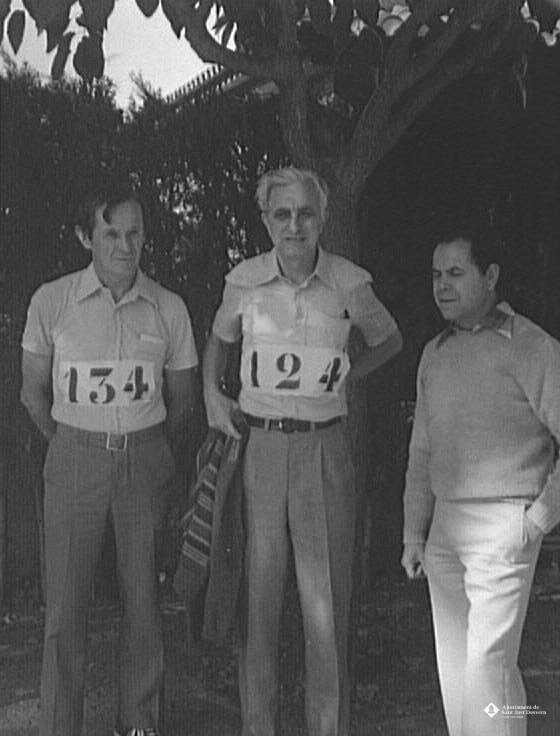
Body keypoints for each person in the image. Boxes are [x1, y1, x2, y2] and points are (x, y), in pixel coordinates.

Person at [203, 166, 402, 736]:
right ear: (267, 221)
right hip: (261, 449)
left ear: (323, 218)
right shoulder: (243, 281)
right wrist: (214, 396)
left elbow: (390, 340)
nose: (295, 226)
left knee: (326, 606)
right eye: (282, 214)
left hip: (324, 450)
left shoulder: (349, 283)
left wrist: (347, 377)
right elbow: (218, 342)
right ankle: (257, 726)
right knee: (258, 600)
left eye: (306, 213)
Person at [20, 184, 199, 736]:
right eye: (111, 233)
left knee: (144, 601)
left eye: (134, 233)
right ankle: (60, 725)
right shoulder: (52, 302)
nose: (125, 246)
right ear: (85, 237)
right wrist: (73, 442)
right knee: (65, 607)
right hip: (74, 457)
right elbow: (33, 392)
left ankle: (138, 723)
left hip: (144, 461)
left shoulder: (168, 308)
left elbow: (184, 399)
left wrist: (152, 450)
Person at [401, 221, 560, 736]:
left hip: (504, 527)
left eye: (455, 273)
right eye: (435, 275)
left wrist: (539, 517)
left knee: (488, 672)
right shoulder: (435, 353)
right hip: (445, 531)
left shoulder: (531, 346)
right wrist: (413, 532)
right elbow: (422, 450)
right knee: (460, 677)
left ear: (490, 276)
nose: (442, 285)